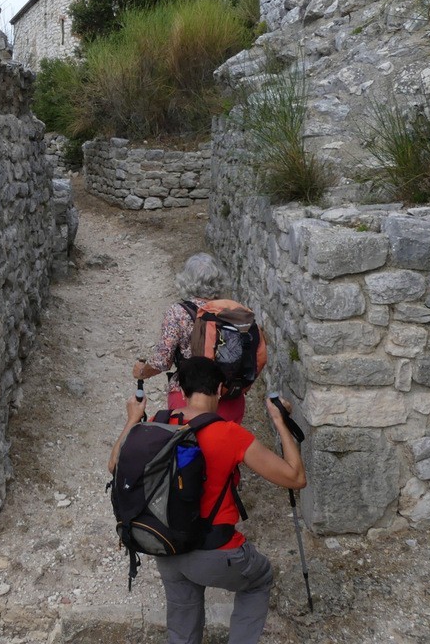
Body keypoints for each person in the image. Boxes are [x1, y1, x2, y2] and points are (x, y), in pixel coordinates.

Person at [109, 357, 306, 644]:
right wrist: (280, 421)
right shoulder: (229, 433)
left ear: (183, 391)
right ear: (220, 390)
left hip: (167, 547)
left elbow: (114, 464)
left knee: (182, 623)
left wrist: (131, 419)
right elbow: (295, 477)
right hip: (218, 552)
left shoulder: (158, 424)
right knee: (259, 579)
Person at [132, 253, 265, 423]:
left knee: (188, 447)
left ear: (185, 280)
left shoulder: (177, 312)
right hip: (229, 396)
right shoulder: (232, 312)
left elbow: (162, 361)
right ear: (219, 280)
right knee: (226, 447)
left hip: (188, 398)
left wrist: (142, 372)